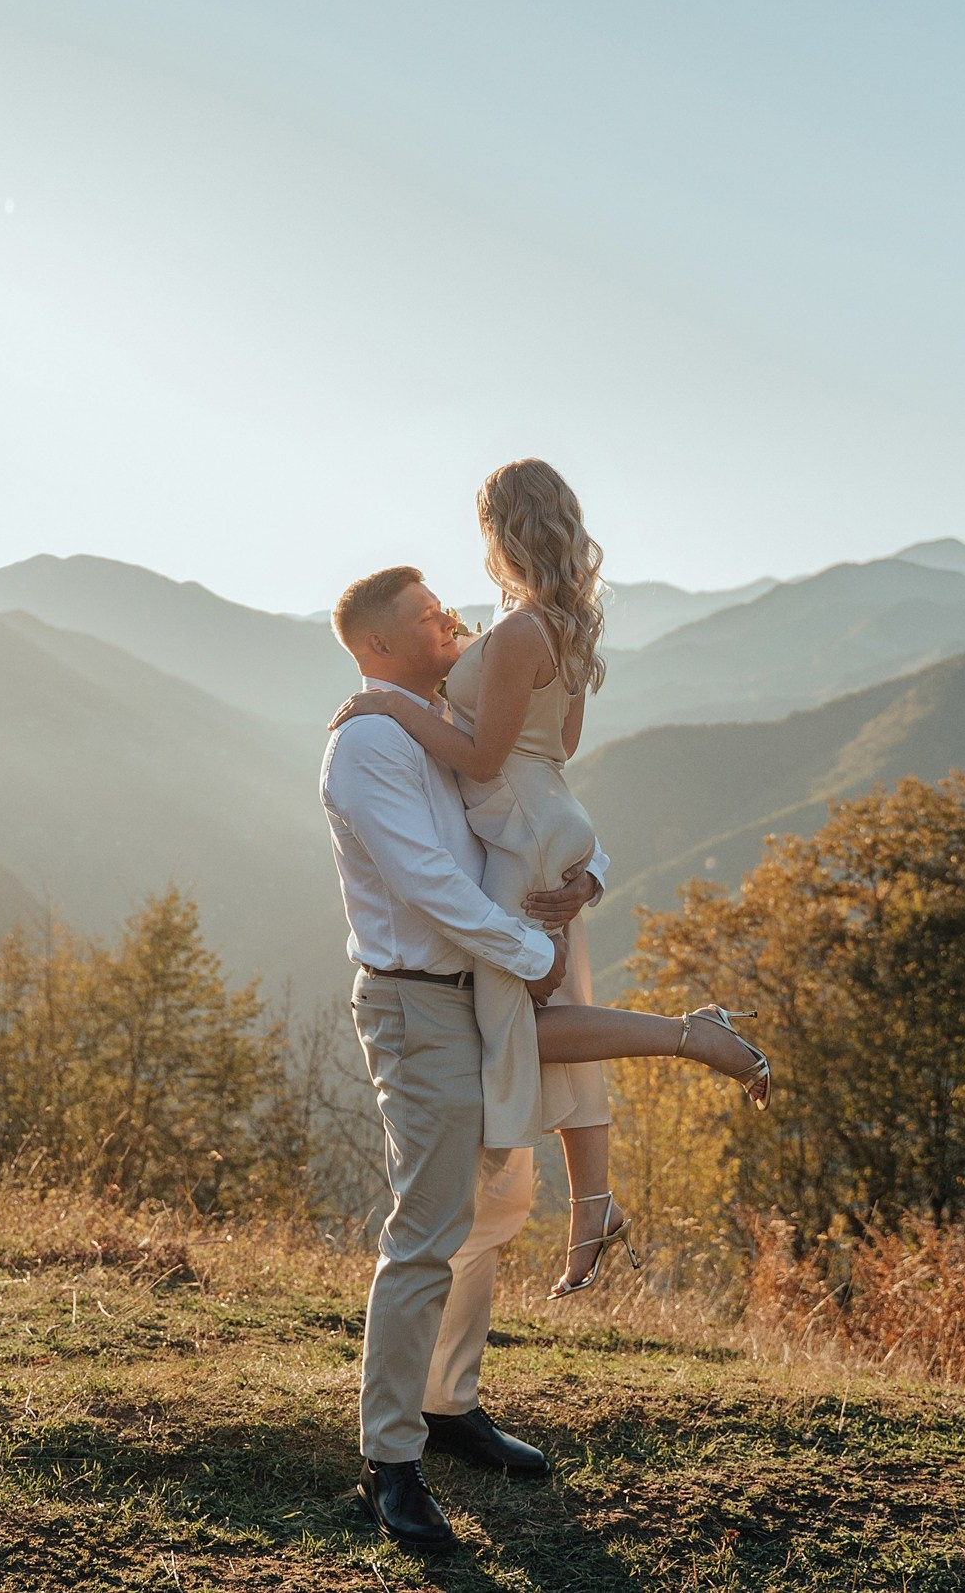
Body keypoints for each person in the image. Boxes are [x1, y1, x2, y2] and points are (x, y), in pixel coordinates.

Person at [321, 551, 769, 1554]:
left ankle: (449, 1405)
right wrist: (532, 956)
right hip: (421, 1002)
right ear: (381, 645)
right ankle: (391, 1460)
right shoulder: (367, 749)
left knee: (500, 1201)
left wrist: (588, 884)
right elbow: (432, 882)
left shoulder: (447, 730)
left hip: (485, 989)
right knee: (429, 1225)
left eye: (449, 610)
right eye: (431, 618)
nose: (453, 627)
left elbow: (541, 803)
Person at [333, 460, 771, 1304]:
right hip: (547, 820)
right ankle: (594, 1206)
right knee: (555, 1017)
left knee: (517, 1029)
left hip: (526, 834)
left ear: (501, 530)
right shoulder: (560, 623)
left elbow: (482, 757)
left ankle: (696, 1034)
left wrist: (394, 706)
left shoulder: (526, 628)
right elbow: (557, 745)